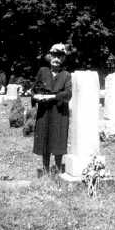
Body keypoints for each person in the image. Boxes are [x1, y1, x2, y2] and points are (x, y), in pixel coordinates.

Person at [31, 43, 72, 176]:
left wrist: (53, 96)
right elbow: (34, 89)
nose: (56, 59)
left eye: (60, 56)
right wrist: (36, 96)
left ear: (63, 59)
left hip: (59, 112)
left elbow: (67, 94)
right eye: (54, 55)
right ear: (50, 56)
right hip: (44, 111)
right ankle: (46, 169)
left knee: (58, 138)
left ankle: (59, 169)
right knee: (44, 138)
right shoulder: (43, 72)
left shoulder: (66, 75)